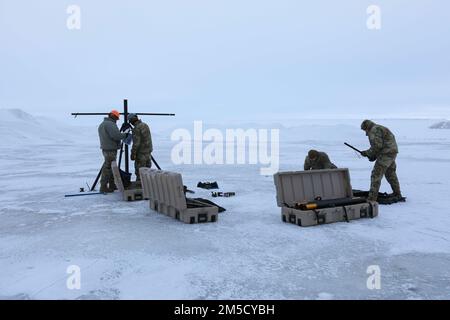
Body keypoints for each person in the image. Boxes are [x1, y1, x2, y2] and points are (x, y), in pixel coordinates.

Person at [360, 119, 402, 202]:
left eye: (365, 130)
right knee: (391, 174)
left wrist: (367, 153)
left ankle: (372, 199)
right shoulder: (380, 128)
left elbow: (377, 146)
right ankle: (397, 194)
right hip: (391, 153)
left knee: (376, 175)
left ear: (367, 127)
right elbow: (380, 145)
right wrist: (373, 156)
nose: (365, 133)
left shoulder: (374, 130)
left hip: (385, 154)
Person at [98, 110, 126, 193]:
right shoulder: (110, 124)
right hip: (110, 150)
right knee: (108, 168)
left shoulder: (103, 124)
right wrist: (125, 135)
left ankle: (112, 185)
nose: (117, 120)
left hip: (106, 149)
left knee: (110, 167)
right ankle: (103, 187)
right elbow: (116, 136)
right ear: (113, 116)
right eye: (117, 118)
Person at [128, 113, 153, 183]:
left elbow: (136, 143)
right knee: (147, 171)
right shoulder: (145, 125)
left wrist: (133, 154)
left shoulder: (136, 128)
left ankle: (141, 187)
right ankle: (148, 186)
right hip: (148, 152)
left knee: (140, 172)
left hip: (141, 154)